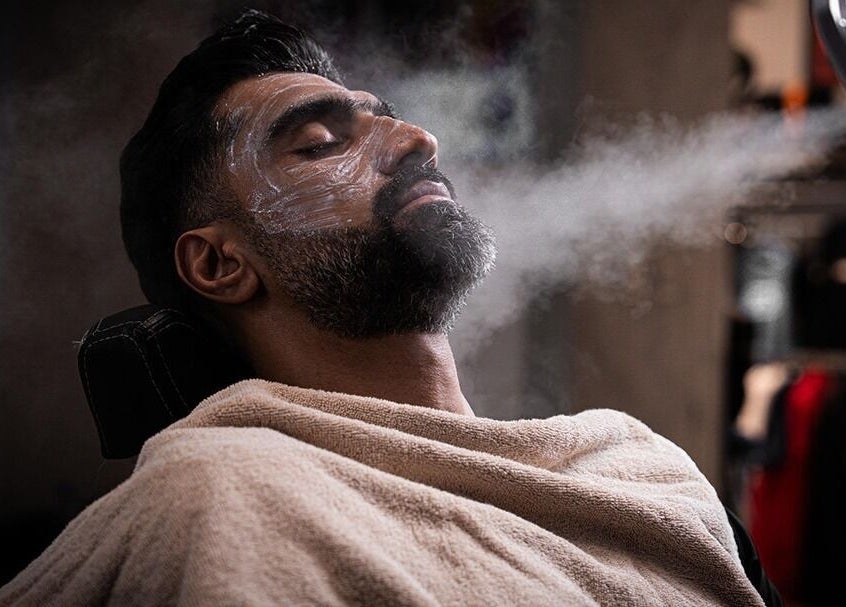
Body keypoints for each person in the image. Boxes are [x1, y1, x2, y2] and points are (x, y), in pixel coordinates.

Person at [1, 9, 780, 606]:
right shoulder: (225, 494)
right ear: (219, 263)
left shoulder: (638, 473)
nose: (419, 139)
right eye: (319, 144)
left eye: (388, 117)